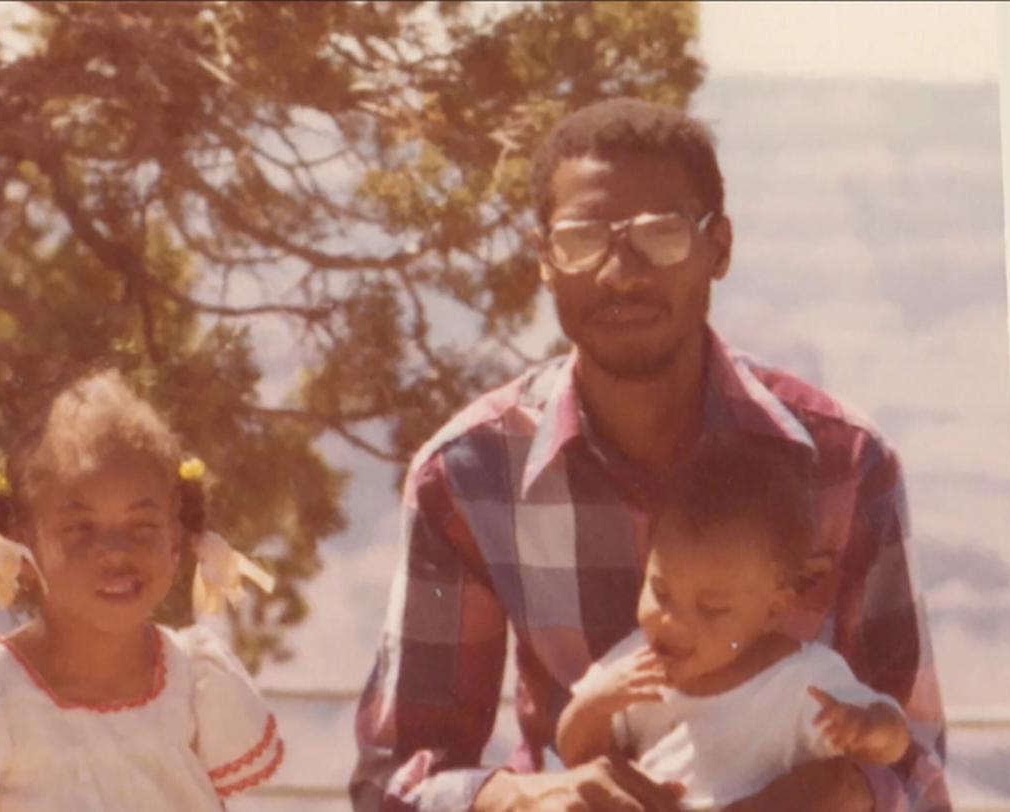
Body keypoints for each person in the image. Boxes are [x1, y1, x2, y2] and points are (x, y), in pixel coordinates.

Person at [350, 98, 951, 811]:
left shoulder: (846, 465)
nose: (620, 272)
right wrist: (525, 800)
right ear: (544, 259)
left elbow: (916, 765)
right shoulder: (469, 477)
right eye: (581, 240)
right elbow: (396, 783)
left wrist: (843, 790)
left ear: (719, 248)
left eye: (660, 236)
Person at [0, 368, 282, 811]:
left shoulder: (199, 682)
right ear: (21, 544)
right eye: (79, 528)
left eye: (142, 526)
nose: (114, 551)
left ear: (176, 534)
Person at [556, 438, 911, 810]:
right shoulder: (637, 665)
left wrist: (868, 726)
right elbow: (575, 755)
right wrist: (595, 705)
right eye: (660, 591)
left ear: (774, 610)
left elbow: (895, 741)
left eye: (711, 609)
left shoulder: (802, 679)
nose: (673, 621)